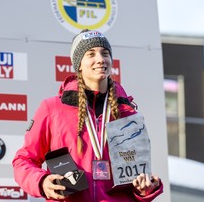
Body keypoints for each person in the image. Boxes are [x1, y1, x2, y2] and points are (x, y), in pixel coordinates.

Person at [12, 29, 163, 201]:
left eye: (105, 53)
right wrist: (42, 181)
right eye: (91, 54)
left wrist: (145, 189)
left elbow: (133, 180)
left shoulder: (128, 114)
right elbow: (23, 160)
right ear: (78, 65)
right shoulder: (52, 108)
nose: (100, 59)